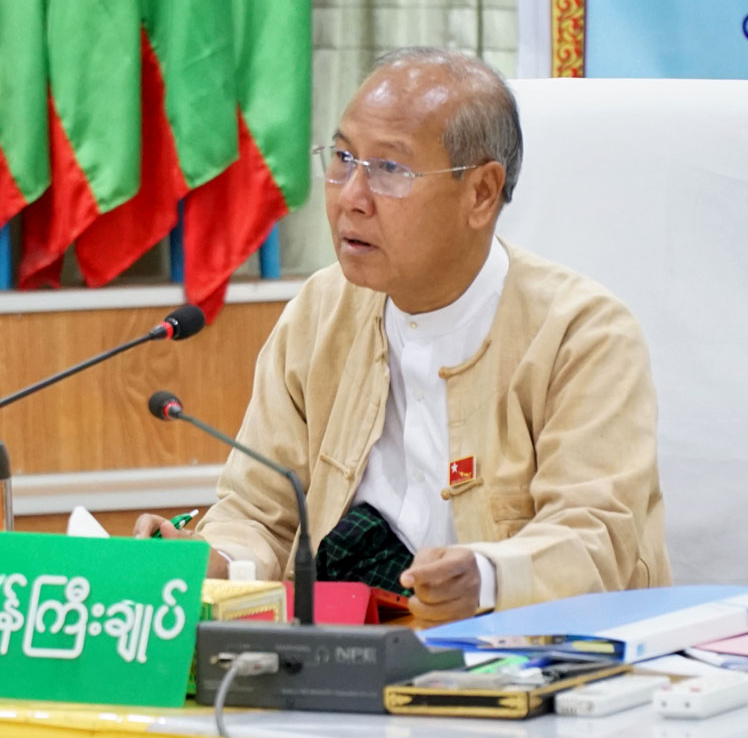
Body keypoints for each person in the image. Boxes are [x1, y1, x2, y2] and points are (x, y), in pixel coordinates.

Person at [135, 46, 672, 628]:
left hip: (529, 654)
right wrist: (217, 560)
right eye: (343, 158)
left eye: (390, 169)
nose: (351, 197)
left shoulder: (583, 334)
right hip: (346, 648)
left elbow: (595, 538)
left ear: (481, 193)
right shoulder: (320, 313)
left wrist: (487, 577)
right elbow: (259, 511)